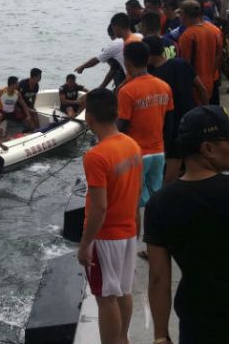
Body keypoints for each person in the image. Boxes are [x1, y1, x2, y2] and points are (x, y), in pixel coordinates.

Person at [144, 105, 229, 344]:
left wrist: (161, 335)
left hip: (196, 319)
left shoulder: (159, 205)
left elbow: (158, 277)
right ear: (208, 149)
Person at [77, 88, 143, 344]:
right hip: (128, 232)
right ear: (116, 113)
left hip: (105, 238)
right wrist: (136, 226)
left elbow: (99, 207)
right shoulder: (132, 145)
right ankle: (123, 339)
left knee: (105, 299)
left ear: (89, 118)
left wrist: (85, 245)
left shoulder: (96, 156)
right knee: (123, 290)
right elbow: (137, 191)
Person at [116, 41, 173, 259]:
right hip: (159, 151)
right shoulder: (163, 86)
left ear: (127, 62)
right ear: (148, 59)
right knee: (154, 201)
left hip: (136, 154)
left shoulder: (127, 91)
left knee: (132, 205)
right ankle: (156, 246)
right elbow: (169, 120)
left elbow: (122, 126)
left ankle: (131, 248)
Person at [144, 36, 208, 184]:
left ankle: (166, 202)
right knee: (195, 167)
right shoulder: (181, 63)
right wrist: (205, 110)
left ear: (147, 55)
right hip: (194, 119)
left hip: (173, 128)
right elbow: (202, 88)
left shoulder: (154, 79)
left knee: (170, 175)